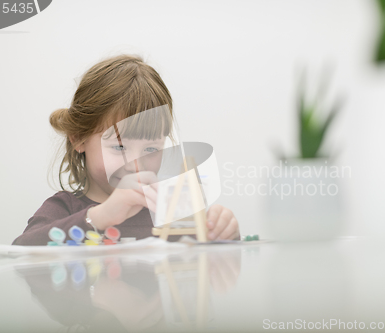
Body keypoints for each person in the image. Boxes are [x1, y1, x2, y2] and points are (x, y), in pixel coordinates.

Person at [12, 54, 240, 246]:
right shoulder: (64, 209)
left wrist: (222, 234)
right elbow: (21, 252)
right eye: (119, 147)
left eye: (151, 148)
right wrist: (98, 217)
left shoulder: (174, 213)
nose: (136, 164)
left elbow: (203, 271)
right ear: (79, 138)